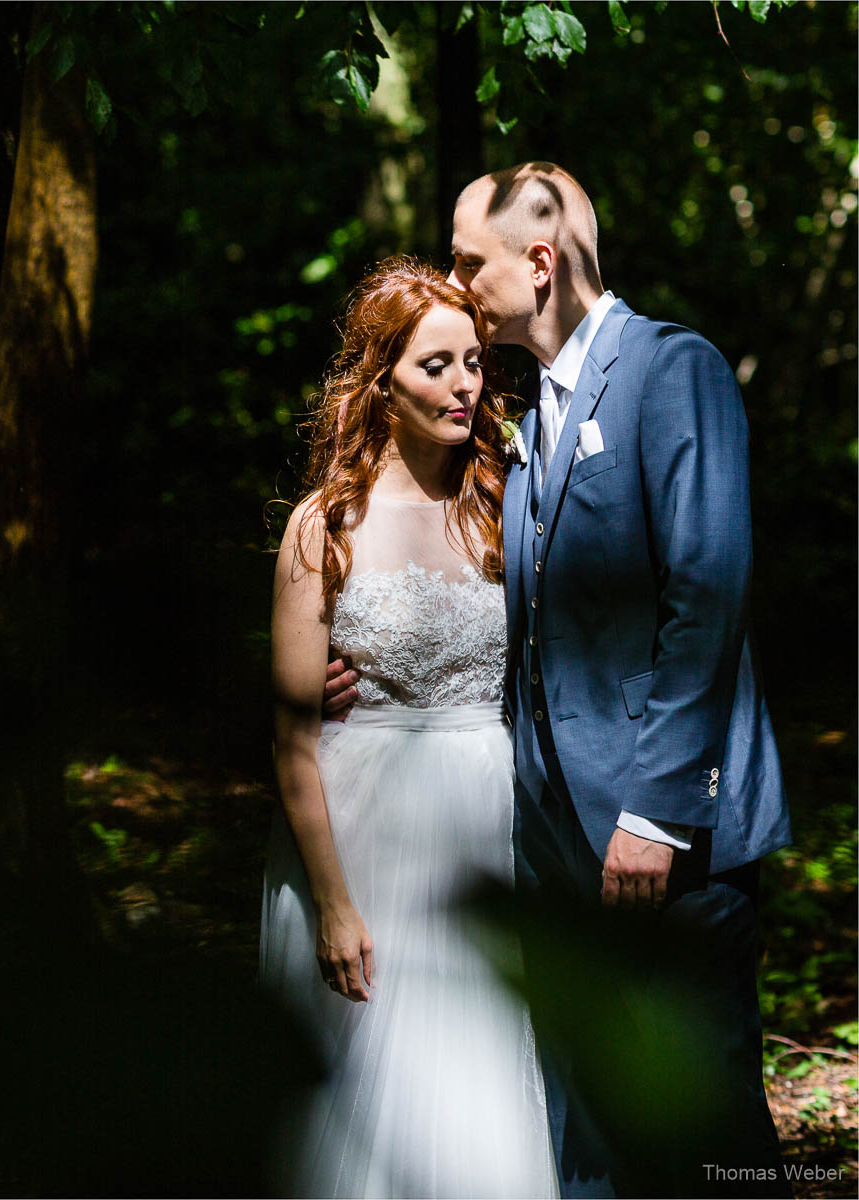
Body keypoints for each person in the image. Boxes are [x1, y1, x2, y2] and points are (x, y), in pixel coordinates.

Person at [327, 163, 792, 1197]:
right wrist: (370, 676)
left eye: (466, 258)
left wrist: (657, 815)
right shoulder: (530, 415)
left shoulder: (675, 371)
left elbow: (707, 597)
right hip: (551, 849)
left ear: (539, 263)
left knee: (710, 1135)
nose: (454, 276)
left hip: (667, 846)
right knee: (585, 1141)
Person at [262, 256, 558, 1198]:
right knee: (362, 1094)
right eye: (437, 364)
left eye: (475, 360)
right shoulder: (325, 526)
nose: (466, 383)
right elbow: (292, 740)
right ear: (380, 378)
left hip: (483, 819)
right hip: (364, 827)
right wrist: (334, 904)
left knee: (474, 1083)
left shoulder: (507, 507)